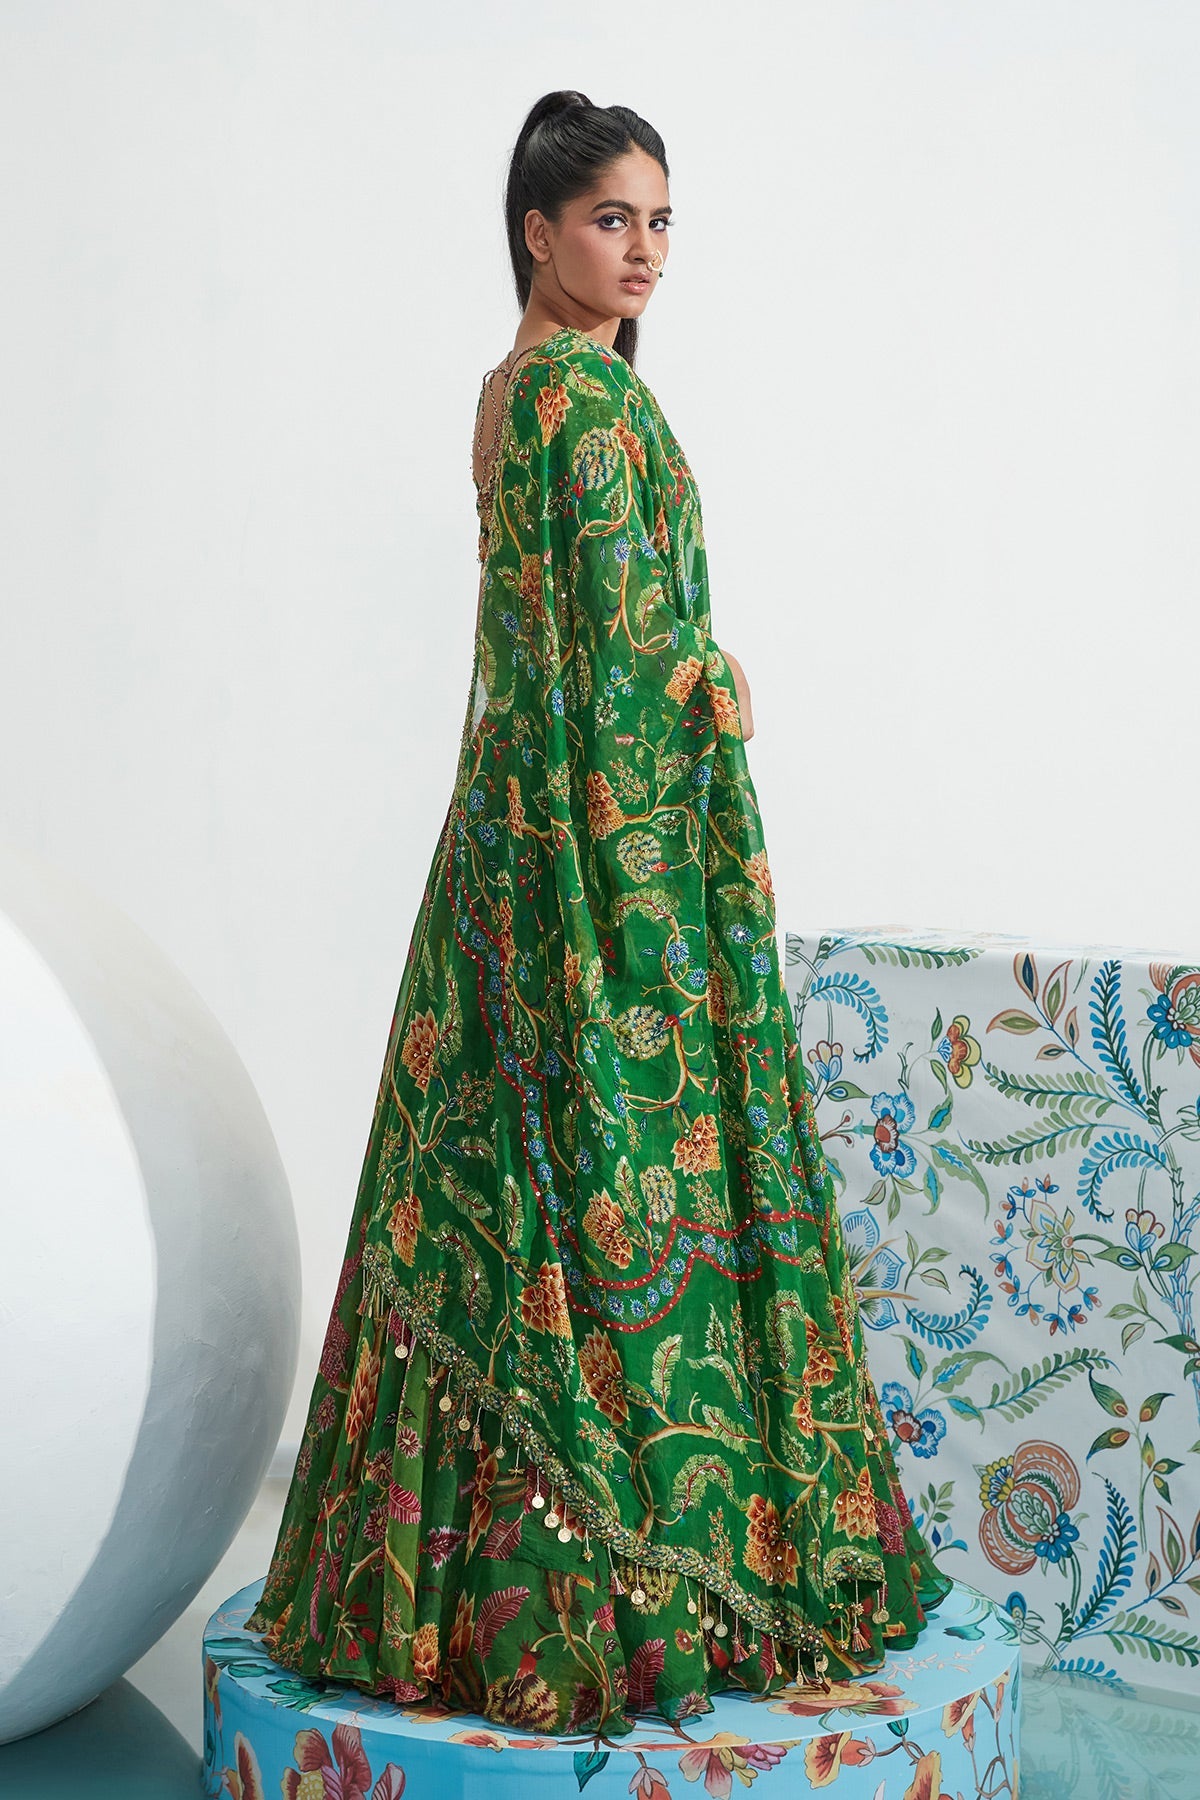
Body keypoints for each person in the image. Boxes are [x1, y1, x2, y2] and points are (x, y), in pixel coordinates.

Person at [246, 88, 951, 1738]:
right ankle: (640, 1583)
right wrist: (709, 692)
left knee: (500, 1174)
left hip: (511, 842)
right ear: (537, 231)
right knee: (620, 1175)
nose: (644, 253)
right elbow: (625, 662)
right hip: (604, 856)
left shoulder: (510, 393)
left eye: (660, 223)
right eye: (612, 220)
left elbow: (553, 646)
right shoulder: (584, 401)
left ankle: (428, 1589)